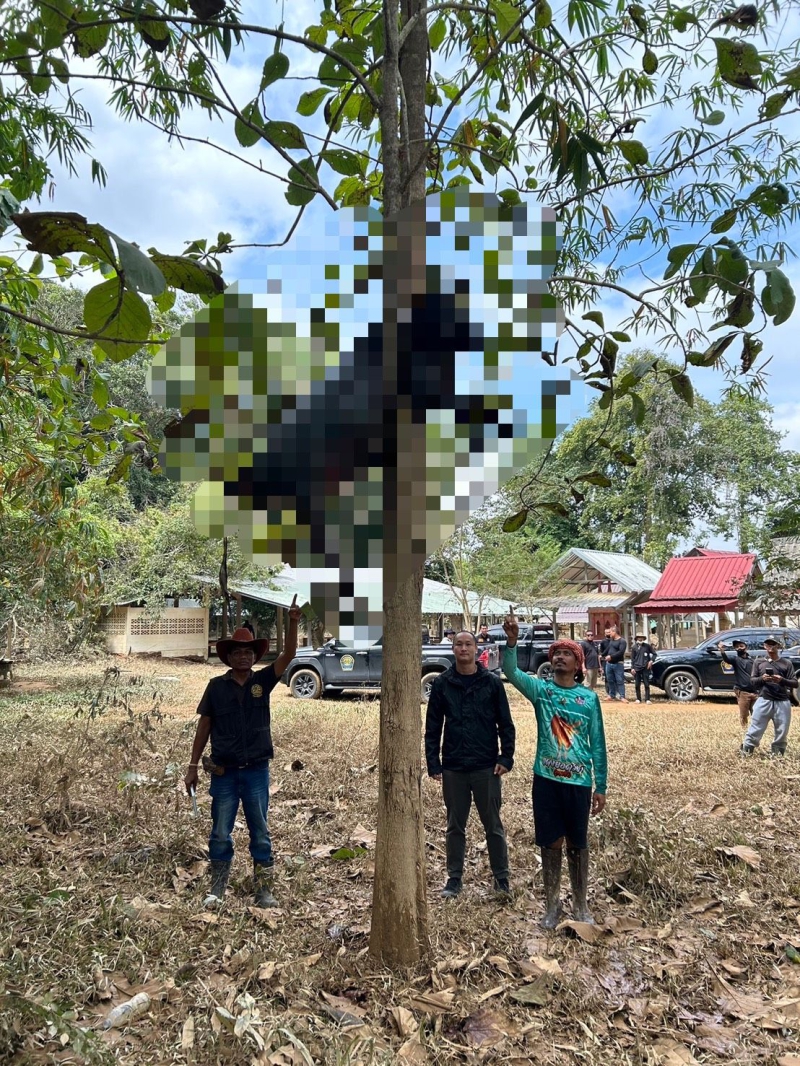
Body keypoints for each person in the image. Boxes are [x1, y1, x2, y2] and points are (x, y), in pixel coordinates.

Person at [184, 595, 303, 908]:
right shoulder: (216, 687)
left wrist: (293, 622)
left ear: (254, 656)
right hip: (223, 773)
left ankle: (263, 890)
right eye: (236, 652)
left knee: (260, 832)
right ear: (229, 657)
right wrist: (192, 766)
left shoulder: (263, 681)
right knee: (220, 832)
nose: (242, 656)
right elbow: (204, 726)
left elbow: (290, 653)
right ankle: (217, 888)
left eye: (247, 652)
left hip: (255, 773)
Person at [502, 608, 607, 928]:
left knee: (577, 841)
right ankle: (551, 906)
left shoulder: (588, 699)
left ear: (578, 664)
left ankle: (580, 905)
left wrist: (600, 785)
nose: (560, 657)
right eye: (556, 653)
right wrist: (511, 642)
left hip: (579, 782)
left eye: (567, 654)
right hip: (546, 779)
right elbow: (511, 672)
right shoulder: (542, 691)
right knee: (551, 842)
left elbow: (597, 743)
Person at [425, 631, 516, 900]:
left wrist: (506, 758)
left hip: (486, 766)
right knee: (455, 825)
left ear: (477, 649)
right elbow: (433, 727)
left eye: (468, 644)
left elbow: (505, 724)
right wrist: (434, 763)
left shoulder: (492, 683)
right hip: (454, 766)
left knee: (493, 825)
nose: (463, 649)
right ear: (453, 649)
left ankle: (501, 879)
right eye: (458, 644)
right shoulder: (442, 684)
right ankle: (454, 879)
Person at [741, 637, 797, 758]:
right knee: (756, 727)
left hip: (782, 701)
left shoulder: (786, 663)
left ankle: (777, 754)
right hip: (764, 699)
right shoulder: (759, 662)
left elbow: (795, 683)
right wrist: (762, 679)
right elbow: (753, 681)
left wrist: (782, 680)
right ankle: (746, 751)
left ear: (778, 646)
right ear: (764, 646)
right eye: (768, 644)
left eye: (773, 644)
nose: (771, 647)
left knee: (782, 730)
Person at [717, 638, 757, 729]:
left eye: (741, 646)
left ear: (746, 647)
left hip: (755, 692)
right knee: (744, 714)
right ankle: (744, 729)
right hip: (743, 692)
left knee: (756, 714)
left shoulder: (752, 661)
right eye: (737, 646)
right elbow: (726, 659)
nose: (739, 648)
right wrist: (722, 650)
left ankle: (755, 730)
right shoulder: (735, 660)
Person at [604, 625, 628, 702]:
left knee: (619, 680)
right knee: (610, 680)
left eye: (610, 632)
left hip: (618, 664)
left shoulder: (622, 641)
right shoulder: (611, 640)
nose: (609, 633)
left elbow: (621, 652)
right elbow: (608, 649)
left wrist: (611, 656)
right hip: (609, 664)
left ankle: (622, 696)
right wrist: (602, 654)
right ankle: (612, 695)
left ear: (615, 632)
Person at [631, 633, 656, 704]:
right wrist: (632, 668)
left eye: (641, 637)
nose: (640, 639)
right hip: (636, 667)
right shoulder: (634, 647)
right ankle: (638, 699)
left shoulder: (647, 646)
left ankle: (647, 699)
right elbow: (632, 659)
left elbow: (654, 654)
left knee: (646, 684)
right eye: (639, 637)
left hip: (645, 667)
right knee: (637, 684)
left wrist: (651, 661)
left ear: (643, 639)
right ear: (636, 639)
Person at [598, 626, 613, 698]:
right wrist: (601, 665)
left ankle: (614, 692)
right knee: (607, 677)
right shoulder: (603, 642)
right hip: (606, 661)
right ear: (604, 634)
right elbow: (601, 653)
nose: (608, 633)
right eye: (606, 632)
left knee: (614, 678)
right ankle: (608, 693)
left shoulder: (614, 640)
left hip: (614, 660)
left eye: (609, 632)